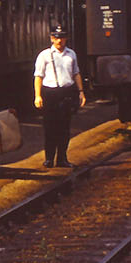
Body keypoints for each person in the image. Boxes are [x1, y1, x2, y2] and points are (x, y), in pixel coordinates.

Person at [32, 26, 84, 168]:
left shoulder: (71, 54)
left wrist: (81, 92)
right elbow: (38, 76)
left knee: (64, 128)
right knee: (50, 128)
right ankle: (49, 159)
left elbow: (76, 73)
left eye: (61, 37)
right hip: (50, 93)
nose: (59, 40)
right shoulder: (44, 55)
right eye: (56, 37)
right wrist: (38, 96)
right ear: (51, 38)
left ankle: (62, 159)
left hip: (66, 92)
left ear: (66, 38)